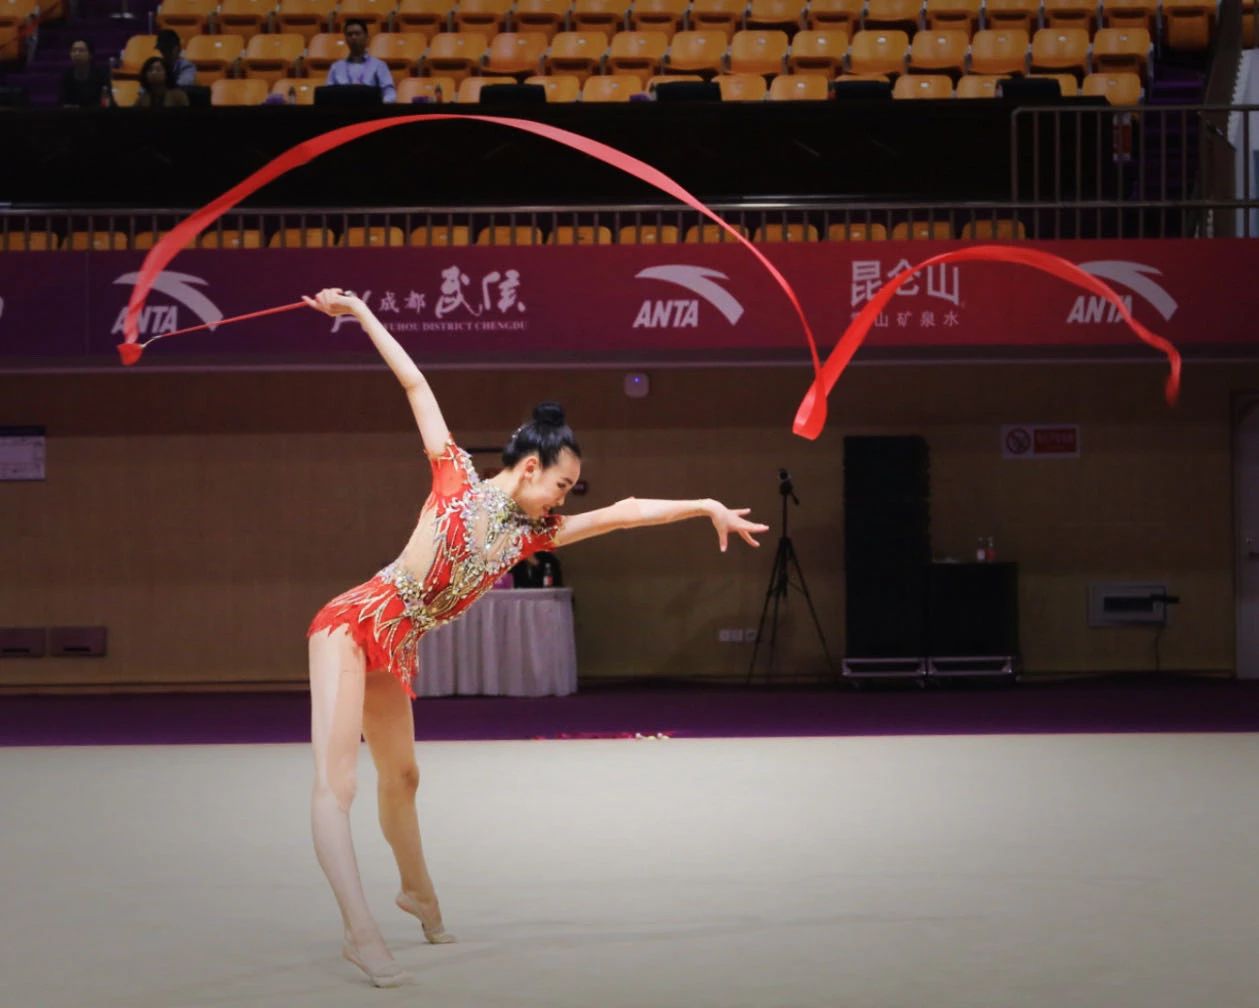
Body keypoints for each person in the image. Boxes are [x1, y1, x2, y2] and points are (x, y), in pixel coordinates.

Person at [301, 288, 768, 987]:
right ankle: (358, 933)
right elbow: (415, 383)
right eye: (562, 485)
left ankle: (418, 894)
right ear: (528, 469)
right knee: (336, 783)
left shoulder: (532, 535)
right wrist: (363, 314)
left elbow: (624, 513)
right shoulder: (454, 477)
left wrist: (703, 505)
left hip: (395, 645)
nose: (564, 499)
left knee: (402, 777)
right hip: (350, 622)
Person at [325, 19, 395, 103]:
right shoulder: (336, 67)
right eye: (349, 34)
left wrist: (379, 106)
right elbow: (327, 95)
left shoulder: (379, 65)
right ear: (346, 39)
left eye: (357, 33)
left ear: (367, 37)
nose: (353, 37)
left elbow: (390, 93)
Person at [58, 39, 113, 108]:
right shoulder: (66, 76)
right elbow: (62, 103)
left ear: (90, 55)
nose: (77, 53)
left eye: (81, 50)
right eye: (73, 50)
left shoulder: (102, 75)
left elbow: (108, 102)